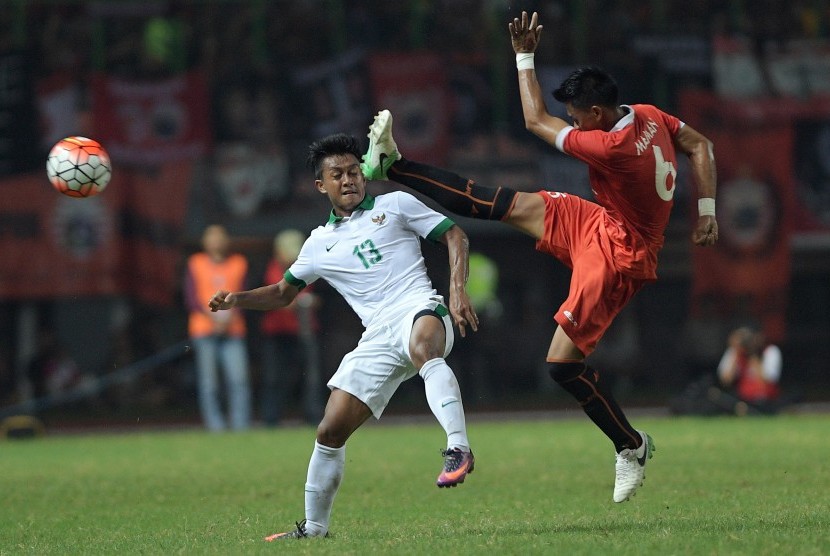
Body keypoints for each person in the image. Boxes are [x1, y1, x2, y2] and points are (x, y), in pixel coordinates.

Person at [360, 10, 719, 503]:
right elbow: (701, 145)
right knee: (496, 202)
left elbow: (533, 120)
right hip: (599, 221)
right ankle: (393, 165)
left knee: (560, 364)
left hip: (620, 255)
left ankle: (630, 445)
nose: (572, 120)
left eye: (575, 114)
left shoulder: (612, 147)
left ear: (595, 115)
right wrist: (706, 210)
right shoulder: (649, 115)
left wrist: (523, 55)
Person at [209, 133, 479, 540]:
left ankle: (458, 447)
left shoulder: (396, 204)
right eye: (337, 174)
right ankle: (314, 530)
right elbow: (284, 292)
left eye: (354, 171)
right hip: (377, 337)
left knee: (423, 346)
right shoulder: (318, 244)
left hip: (420, 308)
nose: (349, 180)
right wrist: (238, 299)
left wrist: (457, 289)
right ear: (322, 186)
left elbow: (455, 234)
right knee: (329, 431)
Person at [185, 224, 252, 431]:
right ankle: (216, 427)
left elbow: (246, 294)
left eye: (220, 237)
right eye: (211, 237)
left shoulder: (239, 263)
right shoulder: (195, 263)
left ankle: (240, 426)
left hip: (233, 330)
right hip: (204, 329)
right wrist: (213, 318)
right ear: (204, 242)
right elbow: (191, 297)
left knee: (238, 380)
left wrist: (229, 317)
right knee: (209, 383)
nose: (216, 242)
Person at [259, 229, 324, 426]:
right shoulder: (268, 270)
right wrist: (288, 302)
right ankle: (271, 419)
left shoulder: (309, 268)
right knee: (273, 377)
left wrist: (311, 302)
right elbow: (265, 299)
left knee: (311, 378)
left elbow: (324, 298)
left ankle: (313, 417)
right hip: (276, 332)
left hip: (305, 331)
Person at [714, 327, 782, 415]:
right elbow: (726, 380)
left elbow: (767, 380)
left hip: (766, 400)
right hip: (742, 399)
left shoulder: (770, 351)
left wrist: (753, 355)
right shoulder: (735, 352)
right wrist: (736, 353)